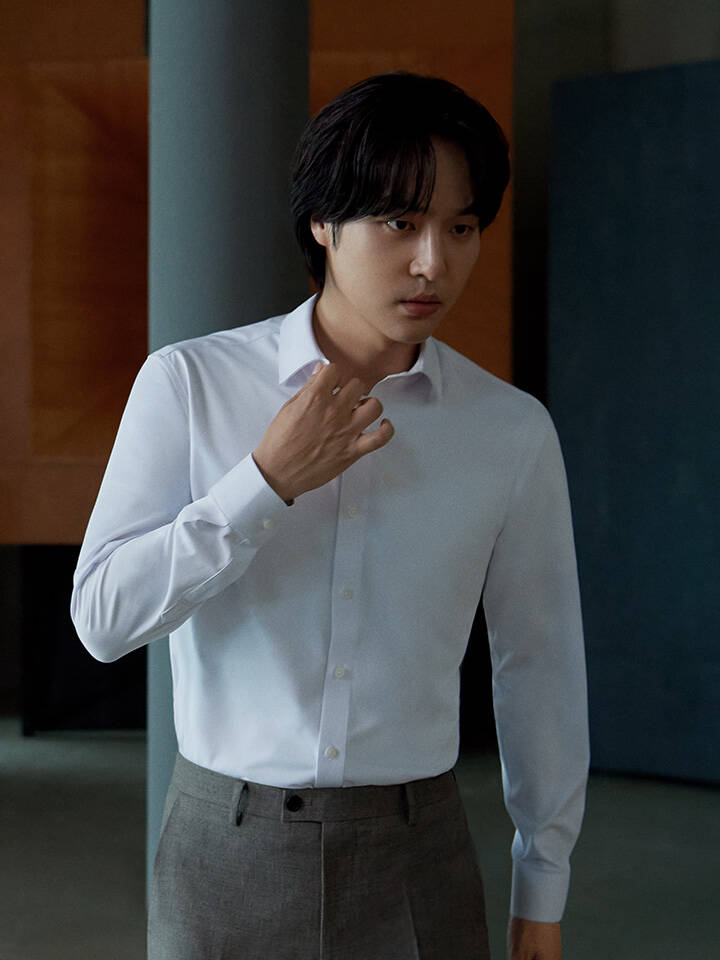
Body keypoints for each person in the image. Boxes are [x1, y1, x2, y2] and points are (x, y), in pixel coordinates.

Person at [71, 71, 589, 960]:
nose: (433, 263)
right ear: (322, 221)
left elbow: (538, 665)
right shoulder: (190, 384)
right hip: (224, 846)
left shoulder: (509, 431)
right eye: (400, 223)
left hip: (419, 855)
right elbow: (103, 621)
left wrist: (543, 881)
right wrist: (263, 483)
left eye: (461, 228)